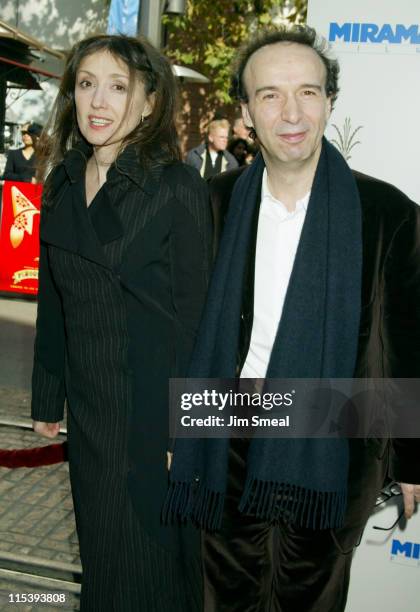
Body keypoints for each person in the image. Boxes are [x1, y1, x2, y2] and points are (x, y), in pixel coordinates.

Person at [167, 25, 420, 612]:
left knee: (312, 598)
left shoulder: (388, 213)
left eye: (308, 92)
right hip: (224, 431)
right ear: (247, 111)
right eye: (270, 94)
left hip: (338, 439)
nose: (291, 112)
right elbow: (184, 329)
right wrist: (175, 428)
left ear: (330, 100)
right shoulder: (212, 204)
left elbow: (410, 340)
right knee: (221, 597)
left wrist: (412, 460)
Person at [31, 34, 212, 611]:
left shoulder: (176, 188)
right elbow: (54, 303)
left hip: (151, 423)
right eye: (86, 85)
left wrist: (184, 433)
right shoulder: (60, 186)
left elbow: (196, 324)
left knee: (151, 575)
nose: (98, 102)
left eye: (117, 87)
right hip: (90, 418)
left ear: (151, 101)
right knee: (104, 567)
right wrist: (47, 400)